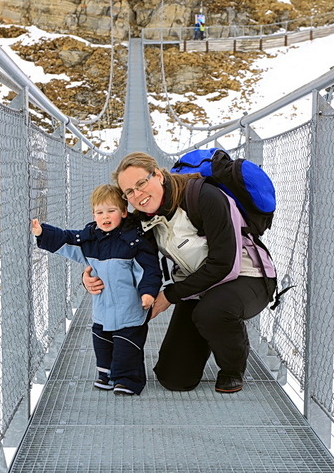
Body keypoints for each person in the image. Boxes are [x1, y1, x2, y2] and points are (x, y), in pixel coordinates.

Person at [83, 153, 277, 395]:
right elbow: (108, 244)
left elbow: (224, 264)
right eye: (129, 192)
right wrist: (88, 276)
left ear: (159, 175)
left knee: (214, 312)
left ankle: (232, 367)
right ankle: (212, 330)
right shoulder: (142, 216)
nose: (138, 195)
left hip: (247, 278)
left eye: (141, 183)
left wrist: (168, 296)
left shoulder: (204, 197)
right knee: (174, 377)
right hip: (197, 287)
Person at [32, 183, 162, 396]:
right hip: (102, 308)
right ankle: (106, 374)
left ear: (123, 212)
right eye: (99, 212)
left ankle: (128, 380)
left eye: (111, 211)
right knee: (102, 342)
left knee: (127, 345)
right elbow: (67, 240)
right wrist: (43, 232)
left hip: (130, 308)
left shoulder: (134, 241)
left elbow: (149, 268)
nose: (105, 216)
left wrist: (148, 293)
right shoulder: (91, 239)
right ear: (93, 215)